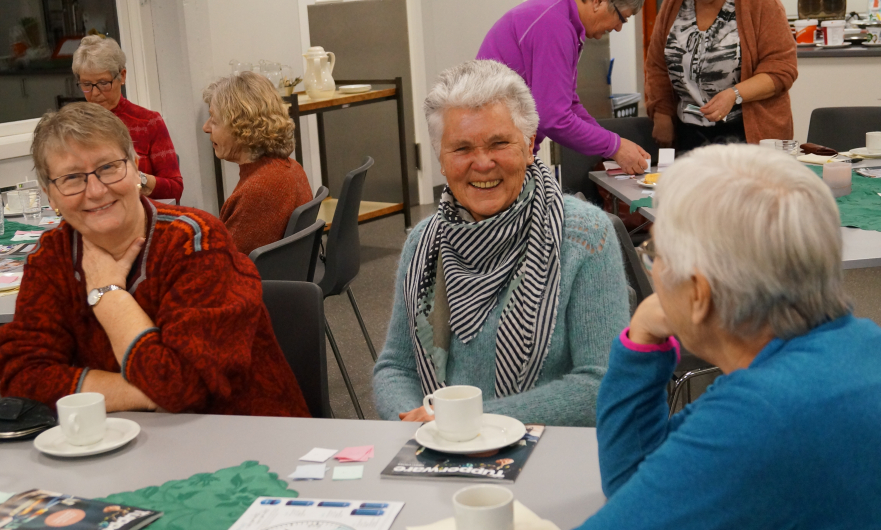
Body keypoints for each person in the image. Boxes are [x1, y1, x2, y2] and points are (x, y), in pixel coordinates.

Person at [578, 144, 881, 528]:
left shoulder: (759, 416)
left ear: (698, 294)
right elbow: (636, 481)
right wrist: (642, 339)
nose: (652, 268)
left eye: (655, 253)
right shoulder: (857, 347)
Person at [0, 103, 310, 418]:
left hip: (242, 432)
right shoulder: (52, 256)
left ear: (136, 169)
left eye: (109, 167)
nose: (96, 190)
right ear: (50, 195)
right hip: (112, 438)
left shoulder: (196, 241)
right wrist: (146, 393)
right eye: (72, 178)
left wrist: (107, 293)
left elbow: (182, 387)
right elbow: (22, 378)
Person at [372, 61, 629, 427]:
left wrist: (471, 421)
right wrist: (413, 422)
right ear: (441, 159)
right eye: (461, 148)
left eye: (499, 143)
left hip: (547, 449)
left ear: (529, 145)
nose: (482, 163)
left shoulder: (584, 237)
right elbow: (396, 367)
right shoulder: (424, 244)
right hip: (439, 444)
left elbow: (601, 383)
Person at [477, 0, 651, 175]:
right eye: (622, 18)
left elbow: (570, 104)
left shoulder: (562, 18)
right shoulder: (554, 24)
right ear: (598, 2)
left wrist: (616, 145)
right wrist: (615, 146)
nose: (619, 28)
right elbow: (555, 118)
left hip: (505, 149)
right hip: (495, 155)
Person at [645, 0, 797, 152]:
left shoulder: (762, 4)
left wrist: (734, 95)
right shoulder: (672, 5)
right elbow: (657, 66)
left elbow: (780, 69)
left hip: (748, 133)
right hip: (688, 133)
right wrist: (662, 113)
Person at [202, 72, 313, 256]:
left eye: (214, 119)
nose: (206, 127)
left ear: (241, 126)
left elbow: (224, 265)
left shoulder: (259, 189)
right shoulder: (290, 168)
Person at [73, 35, 184, 202]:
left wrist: (138, 178)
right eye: (87, 85)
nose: (95, 93)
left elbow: (175, 189)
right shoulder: (75, 128)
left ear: (122, 76)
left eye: (103, 83)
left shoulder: (148, 122)